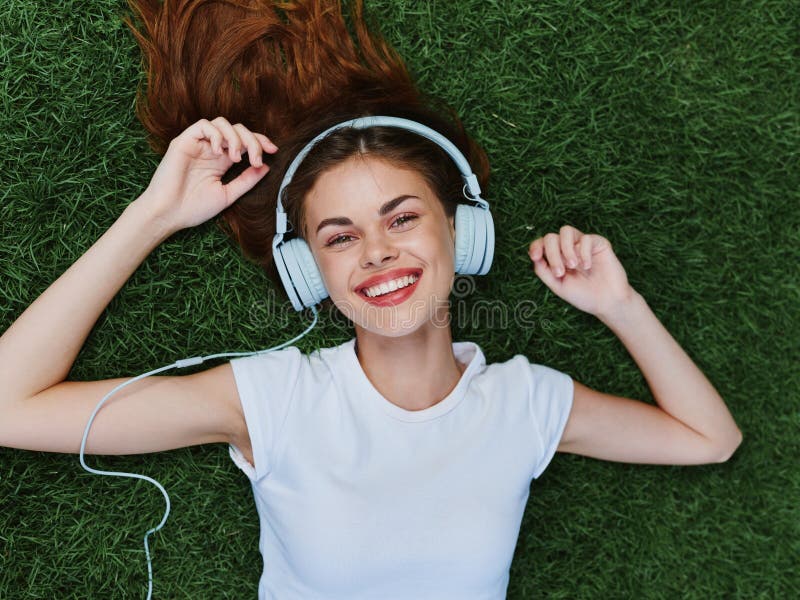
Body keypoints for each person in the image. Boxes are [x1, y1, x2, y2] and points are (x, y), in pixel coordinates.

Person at [0, 1, 742, 598]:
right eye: (340, 237)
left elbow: (709, 438)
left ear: (465, 232)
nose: (378, 251)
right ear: (309, 273)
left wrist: (620, 305)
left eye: (402, 217)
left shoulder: (526, 404)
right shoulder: (273, 401)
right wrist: (153, 217)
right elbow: (9, 407)